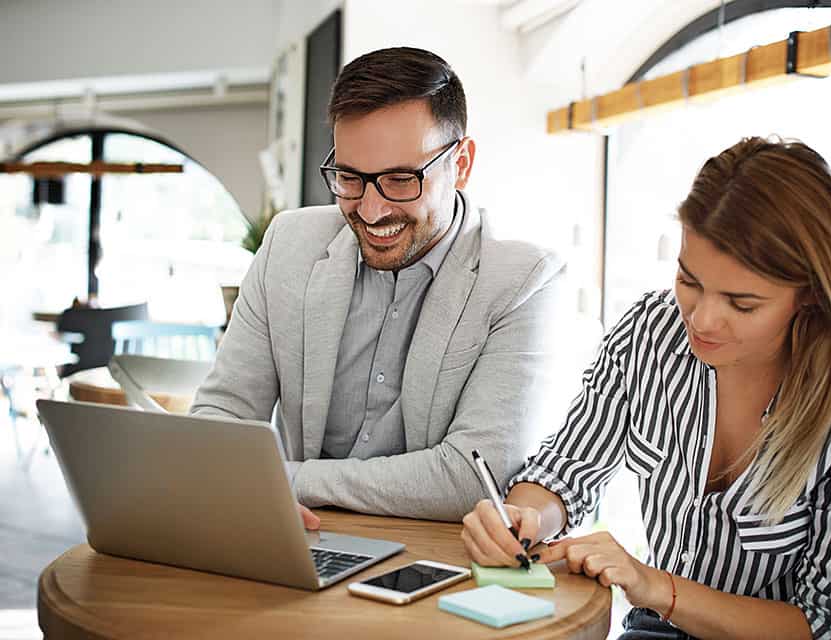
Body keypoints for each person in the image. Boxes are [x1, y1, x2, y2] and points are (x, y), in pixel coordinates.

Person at [460, 137, 831, 639]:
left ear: (812, 294)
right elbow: (564, 472)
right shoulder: (650, 332)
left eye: (742, 303)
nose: (701, 319)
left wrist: (654, 586)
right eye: (689, 280)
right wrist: (523, 518)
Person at [192, 47, 565, 527]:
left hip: (437, 567)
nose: (370, 211)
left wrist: (286, 479)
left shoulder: (523, 282)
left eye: (400, 180)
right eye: (350, 178)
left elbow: (472, 478)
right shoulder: (289, 245)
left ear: (463, 164)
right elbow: (223, 414)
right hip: (301, 543)